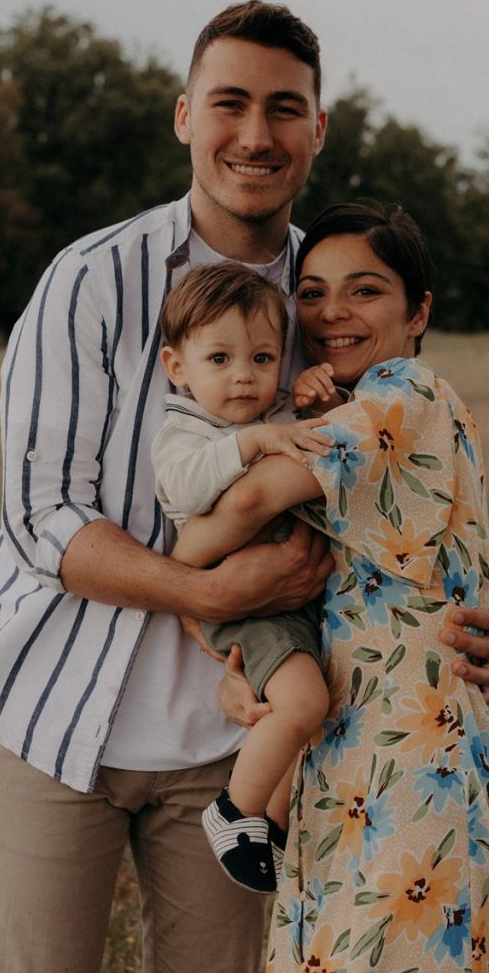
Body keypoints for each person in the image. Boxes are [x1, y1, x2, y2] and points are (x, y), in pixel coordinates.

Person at [0, 0, 489, 973]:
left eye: (284, 107)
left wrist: (471, 603)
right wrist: (207, 593)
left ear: (317, 128)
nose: (255, 134)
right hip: (55, 716)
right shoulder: (90, 279)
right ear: (183, 116)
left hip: (241, 738)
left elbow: (397, 479)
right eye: (229, 103)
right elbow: (44, 518)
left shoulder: (333, 297)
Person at [172, 200, 489, 972]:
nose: (331, 312)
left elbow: (244, 502)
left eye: (364, 290)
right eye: (310, 292)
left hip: (405, 759)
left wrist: (180, 573)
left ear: (419, 311)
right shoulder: (371, 400)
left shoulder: (397, 399)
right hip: (367, 747)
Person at [152, 261, 334, 894]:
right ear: (179, 367)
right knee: (303, 703)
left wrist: (317, 396)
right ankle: (233, 809)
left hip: (291, 599)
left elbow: (317, 439)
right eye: (220, 358)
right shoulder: (186, 431)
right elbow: (185, 487)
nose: (242, 376)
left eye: (262, 358)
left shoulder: (272, 411)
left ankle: (274, 829)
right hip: (245, 602)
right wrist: (256, 442)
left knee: (300, 719)